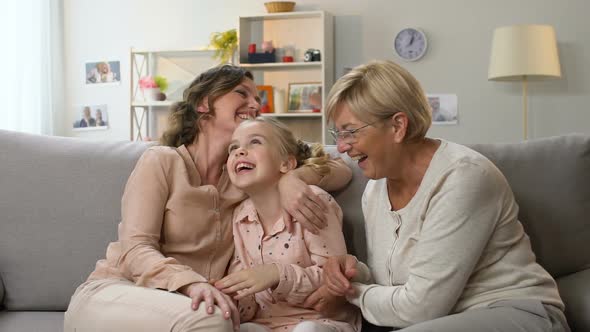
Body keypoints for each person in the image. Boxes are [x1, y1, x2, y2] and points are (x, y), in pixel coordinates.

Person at [64, 64, 352, 332]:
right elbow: (134, 249)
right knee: (215, 319)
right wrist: (191, 284)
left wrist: (295, 179)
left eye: (256, 98)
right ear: (204, 104)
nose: (255, 104)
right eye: (242, 93)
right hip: (118, 293)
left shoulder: (243, 178)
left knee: (220, 317)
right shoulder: (162, 161)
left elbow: (340, 168)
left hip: (190, 306)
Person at [306, 60, 570, 332]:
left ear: (397, 126)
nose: (340, 146)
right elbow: (391, 284)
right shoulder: (375, 189)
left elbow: (419, 308)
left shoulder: (464, 177)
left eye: (350, 132)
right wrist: (351, 273)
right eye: (337, 133)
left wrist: (351, 295)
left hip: (514, 312)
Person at [214, 117, 361, 332]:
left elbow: (333, 278)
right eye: (233, 147)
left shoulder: (313, 201)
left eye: (255, 142)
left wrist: (276, 275)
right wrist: (230, 294)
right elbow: (249, 304)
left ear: (286, 164)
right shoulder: (240, 217)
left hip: (322, 321)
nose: (239, 151)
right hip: (266, 324)